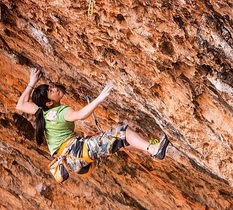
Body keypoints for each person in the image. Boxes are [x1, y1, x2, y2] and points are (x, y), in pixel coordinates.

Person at [16, 68, 169, 179]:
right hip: (78, 153)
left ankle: (150, 148)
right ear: (49, 102)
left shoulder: (42, 110)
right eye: (51, 91)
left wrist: (32, 83)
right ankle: (154, 149)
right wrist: (100, 98)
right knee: (122, 131)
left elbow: (20, 105)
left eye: (51, 87)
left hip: (74, 161)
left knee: (117, 143)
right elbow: (80, 115)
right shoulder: (60, 112)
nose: (55, 89)